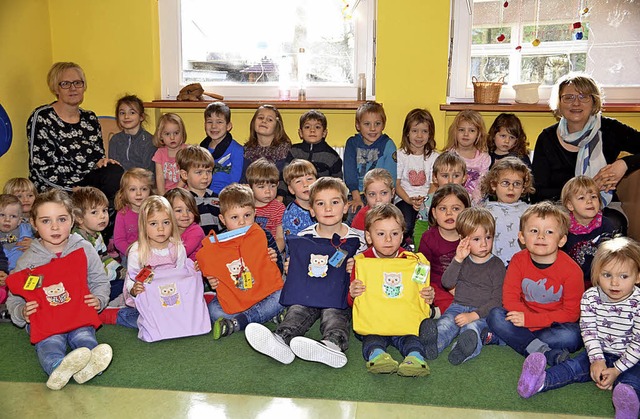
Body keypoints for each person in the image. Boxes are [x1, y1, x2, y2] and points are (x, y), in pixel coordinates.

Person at [244, 177, 366, 368]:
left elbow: (368, 268)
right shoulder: (303, 237)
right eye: (320, 203)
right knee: (297, 310)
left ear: (345, 207)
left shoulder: (357, 239)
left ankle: (332, 345)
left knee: (334, 315)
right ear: (311, 210)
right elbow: (296, 268)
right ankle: (281, 339)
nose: (328, 209)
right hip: (308, 293)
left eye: (334, 202)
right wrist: (290, 268)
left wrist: (356, 267)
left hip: (338, 295)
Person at [517, 237, 640, 419]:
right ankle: (538, 382)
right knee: (573, 367)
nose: (614, 283)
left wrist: (617, 369)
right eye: (607, 275)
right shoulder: (590, 297)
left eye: (623, 276)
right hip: (600, 351)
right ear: (597, 274)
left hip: (633, 357)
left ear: (637, 277)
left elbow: (638, 343)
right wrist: (597, 360)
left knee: (632, 380)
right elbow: (589, 331)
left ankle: (627, 406)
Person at [5, 189, 112, 390]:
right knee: (50, 343)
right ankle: (57, 367)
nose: (55, 226)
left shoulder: (83, 248)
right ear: (34, 224)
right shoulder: (28, 261)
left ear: (72, 220)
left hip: (77, 314)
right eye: (46, 221)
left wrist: (99, 299)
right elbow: (15, 297)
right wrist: (22, 312)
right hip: (46, 320)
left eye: (61, 219)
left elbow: (99, 279)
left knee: (84, 335)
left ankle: (90, 364)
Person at [531, 73, 640, 235]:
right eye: (568, 97)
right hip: (560, 206)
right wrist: (584, 190)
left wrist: (624, 164)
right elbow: (538, 192)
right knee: (553, 227)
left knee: (613, 223)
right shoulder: (547, 138)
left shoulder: (610, 129)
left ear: (594, 101)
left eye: (584, 97)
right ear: (559, 103)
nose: (576, 103)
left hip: (603, 204)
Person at [486, 202, 584, 366]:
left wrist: (529, 321)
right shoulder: (518, 261)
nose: (541, 236)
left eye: (549, 232)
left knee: (573, 336)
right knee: (495, 315)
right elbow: (510, 300)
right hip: (520, 317)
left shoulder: (572, 271)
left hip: (553, 324)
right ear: (522, 237)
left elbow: (571, 314)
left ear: (561, 240)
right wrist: (524, 318)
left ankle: (507, 338)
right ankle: (544, 351)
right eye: (534, 231)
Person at [349, 203, 435, 376]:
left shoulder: (412, 261)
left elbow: (419, 292)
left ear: (402, 235)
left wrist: (428, 295)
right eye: (381, 234)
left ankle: (415, 358)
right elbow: (352, 302)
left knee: (411, 337)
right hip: (373, 321)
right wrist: (353, 294)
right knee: (371, 338)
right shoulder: (362, 262)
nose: (388, 239)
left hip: (403, 320)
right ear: (368, 236)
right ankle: (378, 356)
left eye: (394, 233)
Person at [419, 207, 506, 365]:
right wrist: (458, 259)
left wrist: (474, 315)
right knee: (445, 325)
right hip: (457, 306)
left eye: (488, 237)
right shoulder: (461, 260)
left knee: (472, 329)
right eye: (476, 239)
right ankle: (432, 345)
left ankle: (462, 350)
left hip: (482, 313)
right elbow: (446, 282)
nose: (484, 244)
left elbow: (497, 300)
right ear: (463, 239)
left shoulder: (497, 265)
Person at [199, 183, 285, 340]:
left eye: (247, 215)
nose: (242, 222)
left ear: (255, 213)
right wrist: (211, 281)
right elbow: (211, 276)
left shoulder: (263, 234)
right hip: (236, 295)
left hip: (263, 291)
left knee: (283, 294)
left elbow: (278, 273)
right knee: (213, 311)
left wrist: (274, 260)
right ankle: (266, 314)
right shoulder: (217, 243)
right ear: (222, 219)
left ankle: (239, 322)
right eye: (234, 217)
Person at [27, 62, 123, 198]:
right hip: (57, 188)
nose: (73, 88)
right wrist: (73, 190)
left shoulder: (90, 118)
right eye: (65, 84)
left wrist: (102, 163)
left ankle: (107, 216)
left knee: (114, 172)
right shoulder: (42, 117)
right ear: (55, 88)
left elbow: (97, 158)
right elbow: (41, 169)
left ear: (84, 87)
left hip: (87, 185)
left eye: (78, 83)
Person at [122, 196, 210, 341]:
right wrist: (134, 290)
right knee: (140, 320)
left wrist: (194, 272)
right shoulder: (137, 251)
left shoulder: (177, 247)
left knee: (182, 321)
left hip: (172, 297)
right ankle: (119, 315)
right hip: (149, 299)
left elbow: (183, 277)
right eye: (153, 223)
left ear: (173, 224)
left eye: (166, 222)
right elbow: (131, 280)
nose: (161, 228)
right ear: (144, 226)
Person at [418, 184, 471, 315]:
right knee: (442, 299)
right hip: (437, 286)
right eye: (443, 208)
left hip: (463, 284)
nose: (449, 213)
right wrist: (419, 289)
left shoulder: (470, 237)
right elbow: (421, 268)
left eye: (456, 208)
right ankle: (435, 312)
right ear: (434, 213)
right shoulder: (428, 237)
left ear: (466, 212)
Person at [560, 175, 617, 288]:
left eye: (594, 197)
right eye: (582, 198)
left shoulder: (606, 225)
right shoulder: (563, 227)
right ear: (570, 205)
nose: (589, 201)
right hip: (571, 281)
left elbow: (615, 258)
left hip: (601, 282)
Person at [71, 187, 126, 303]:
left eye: (104, 210)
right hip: (89, 287)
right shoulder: (78, 241)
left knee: (126, 281)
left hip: (99, 278)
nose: (102, 216)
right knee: (124, 285)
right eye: (94, 212)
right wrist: (119, 274)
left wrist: (122, 270)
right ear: (79, 218)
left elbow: (105, 258)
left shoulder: (97, 234)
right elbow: (92, 273)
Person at [395, 108, 439, 244]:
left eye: (424, 131)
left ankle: (422, 248)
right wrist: (409, 200)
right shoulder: (401, 155)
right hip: (404, 199)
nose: (419, 136)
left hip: (427, 200)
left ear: (430, 134)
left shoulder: (434, 157)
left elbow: (434, 184)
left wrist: (425, 201)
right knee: (406, 225)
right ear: (407, 133)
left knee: (431, 227)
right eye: (415, 131)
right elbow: (396, 184)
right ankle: (404, 246)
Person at [343, 101, 397, 212]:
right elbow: (349, 173)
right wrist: (356, 198)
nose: (372, 129)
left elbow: (390, 177)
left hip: (380, 194)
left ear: (383, 124)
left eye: (377, 124)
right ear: (358, 125)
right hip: (357, 193)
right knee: (351, 214)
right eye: (367, 124)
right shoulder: (352, 143)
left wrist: (379, 197)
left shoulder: (388, 145)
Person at [480, 157, 535, 265]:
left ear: (523, 187)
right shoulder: (484, 212)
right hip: (493, 267)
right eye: (505, 183)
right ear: (494, 184)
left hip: (523, 266)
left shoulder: (530, 212)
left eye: (517, 184)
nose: (511, 188)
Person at [279, 110, 343, 203]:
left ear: (324, 132)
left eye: (317, 127)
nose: (312, 130)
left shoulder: (332, 156)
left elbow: (337, 183)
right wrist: (281, 196)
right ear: (300, 132)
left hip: (321, 199)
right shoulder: (294, 151)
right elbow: (284, 176)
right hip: (294, 198)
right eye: (307, 127)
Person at [413, 152, 467, 247]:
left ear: (464, 178)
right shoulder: (428, 201)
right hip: (433, 249)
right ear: (435, 178)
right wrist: (420, 250)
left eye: (456, 176)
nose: (450, 181)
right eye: (445, 176)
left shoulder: (466, 200)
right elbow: (420, 227)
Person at [445, 110, 490, 205]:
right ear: (455, 132)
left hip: (477, 203)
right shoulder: (448, 155)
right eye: (461, 130)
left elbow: (483, 184)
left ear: (478, 134)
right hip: (452, 199)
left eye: (471, 130)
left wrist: (473, 202)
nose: (466, 134)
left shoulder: (484, 158)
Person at [199, 102, 244, 195]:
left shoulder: (237, 150)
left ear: (228, 126)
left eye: (219, 122)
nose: (213, 126)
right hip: (203, 193)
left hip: (227, 195)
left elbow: (235, 181)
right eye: (209, 122)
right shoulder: (201, 149)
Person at [176, 145, 221, 234]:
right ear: (184, 174)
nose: (205, 177)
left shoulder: (217, 198)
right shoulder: (183, 201)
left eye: (208, 171)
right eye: (199, 172)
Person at [108, 94, 156, 174]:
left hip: (142, 182)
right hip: (120, 183)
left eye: (132, 112)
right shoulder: (115, 140)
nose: (126, 116)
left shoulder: (149, 141)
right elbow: (113, 169)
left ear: (141, 117)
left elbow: (149, 173)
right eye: (122, 113)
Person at [113, 168, 154, 259]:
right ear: (124, 193)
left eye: (144, 189)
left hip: (153, 252)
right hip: (130, 255)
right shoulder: (122, 214)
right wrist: (134, 253)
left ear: (150, 191)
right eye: (132, 189)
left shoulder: (154, 212)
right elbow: (119, 241)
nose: (139, 193)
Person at [246, 158, 286, 252]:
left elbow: (281, 238)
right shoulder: (245, 206)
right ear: (250, 187)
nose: (268, 191)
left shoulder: (278, 208)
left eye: (273, 186)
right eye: (261, 187)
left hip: (271, 252)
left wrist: (273, 253)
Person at [350, 168, 395, 235]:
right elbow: (356, 242)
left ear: (392, 193)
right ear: (365, 195)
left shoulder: (396, 214)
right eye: (372, 194)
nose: (378, 199)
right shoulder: (362, 217)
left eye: (383, 193)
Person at [164, 188, 204, 261]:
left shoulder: (196, 231)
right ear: (167, 212)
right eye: (179, 210)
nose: (185, 214)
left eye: (189, 210)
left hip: (192, 269)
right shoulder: (166, 230)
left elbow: (180, 254)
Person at [152, 113, 188, 194]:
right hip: (166, 193)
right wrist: (163, 197)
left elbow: (187, 176)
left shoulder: (187, 151)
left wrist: (174, 193)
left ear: (182, 133)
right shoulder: (160, 153)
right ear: (161, 136)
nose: (172, 137)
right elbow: (160, 178)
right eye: (167, 134)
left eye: (176, 133)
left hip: (185, 191)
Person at [282, 159, 317, 237]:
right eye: (298, 181)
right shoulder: (291, 214)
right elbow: (292, 242)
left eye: (309, 179)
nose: (305, 184)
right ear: (291, 189)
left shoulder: (324, 205)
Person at [0, 194, 33, 271]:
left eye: (13, 216)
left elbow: (45, 239)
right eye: (2, 215)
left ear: (19, 221)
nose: (7, 219)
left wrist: (34, 243)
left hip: (25, 270)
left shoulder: (27, 228)